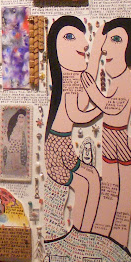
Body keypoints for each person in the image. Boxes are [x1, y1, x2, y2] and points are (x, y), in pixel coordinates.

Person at [82, 17, 131, 248]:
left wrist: (91, 88)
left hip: (117, 136)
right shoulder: (121, 79)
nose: (106, 48)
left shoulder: (126, 78)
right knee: (112, 189)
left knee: (116, 191)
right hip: (111, 136)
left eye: (116, 40)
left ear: (130, 48)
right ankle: (106, 237)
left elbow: (111, 106)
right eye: (107, 41)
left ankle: (114, 239)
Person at [43, 16, 102, 240]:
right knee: (83, 184)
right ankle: (77, 234)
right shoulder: (65, 80)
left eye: (82, 39)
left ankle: (84, 231)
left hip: (64, 144)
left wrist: (96, 53)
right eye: (70, 37)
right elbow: (77, 114)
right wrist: (102, 108)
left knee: (92, 177)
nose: (84, 44)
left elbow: (84, 96)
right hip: (55, 148)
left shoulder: (73, 78)